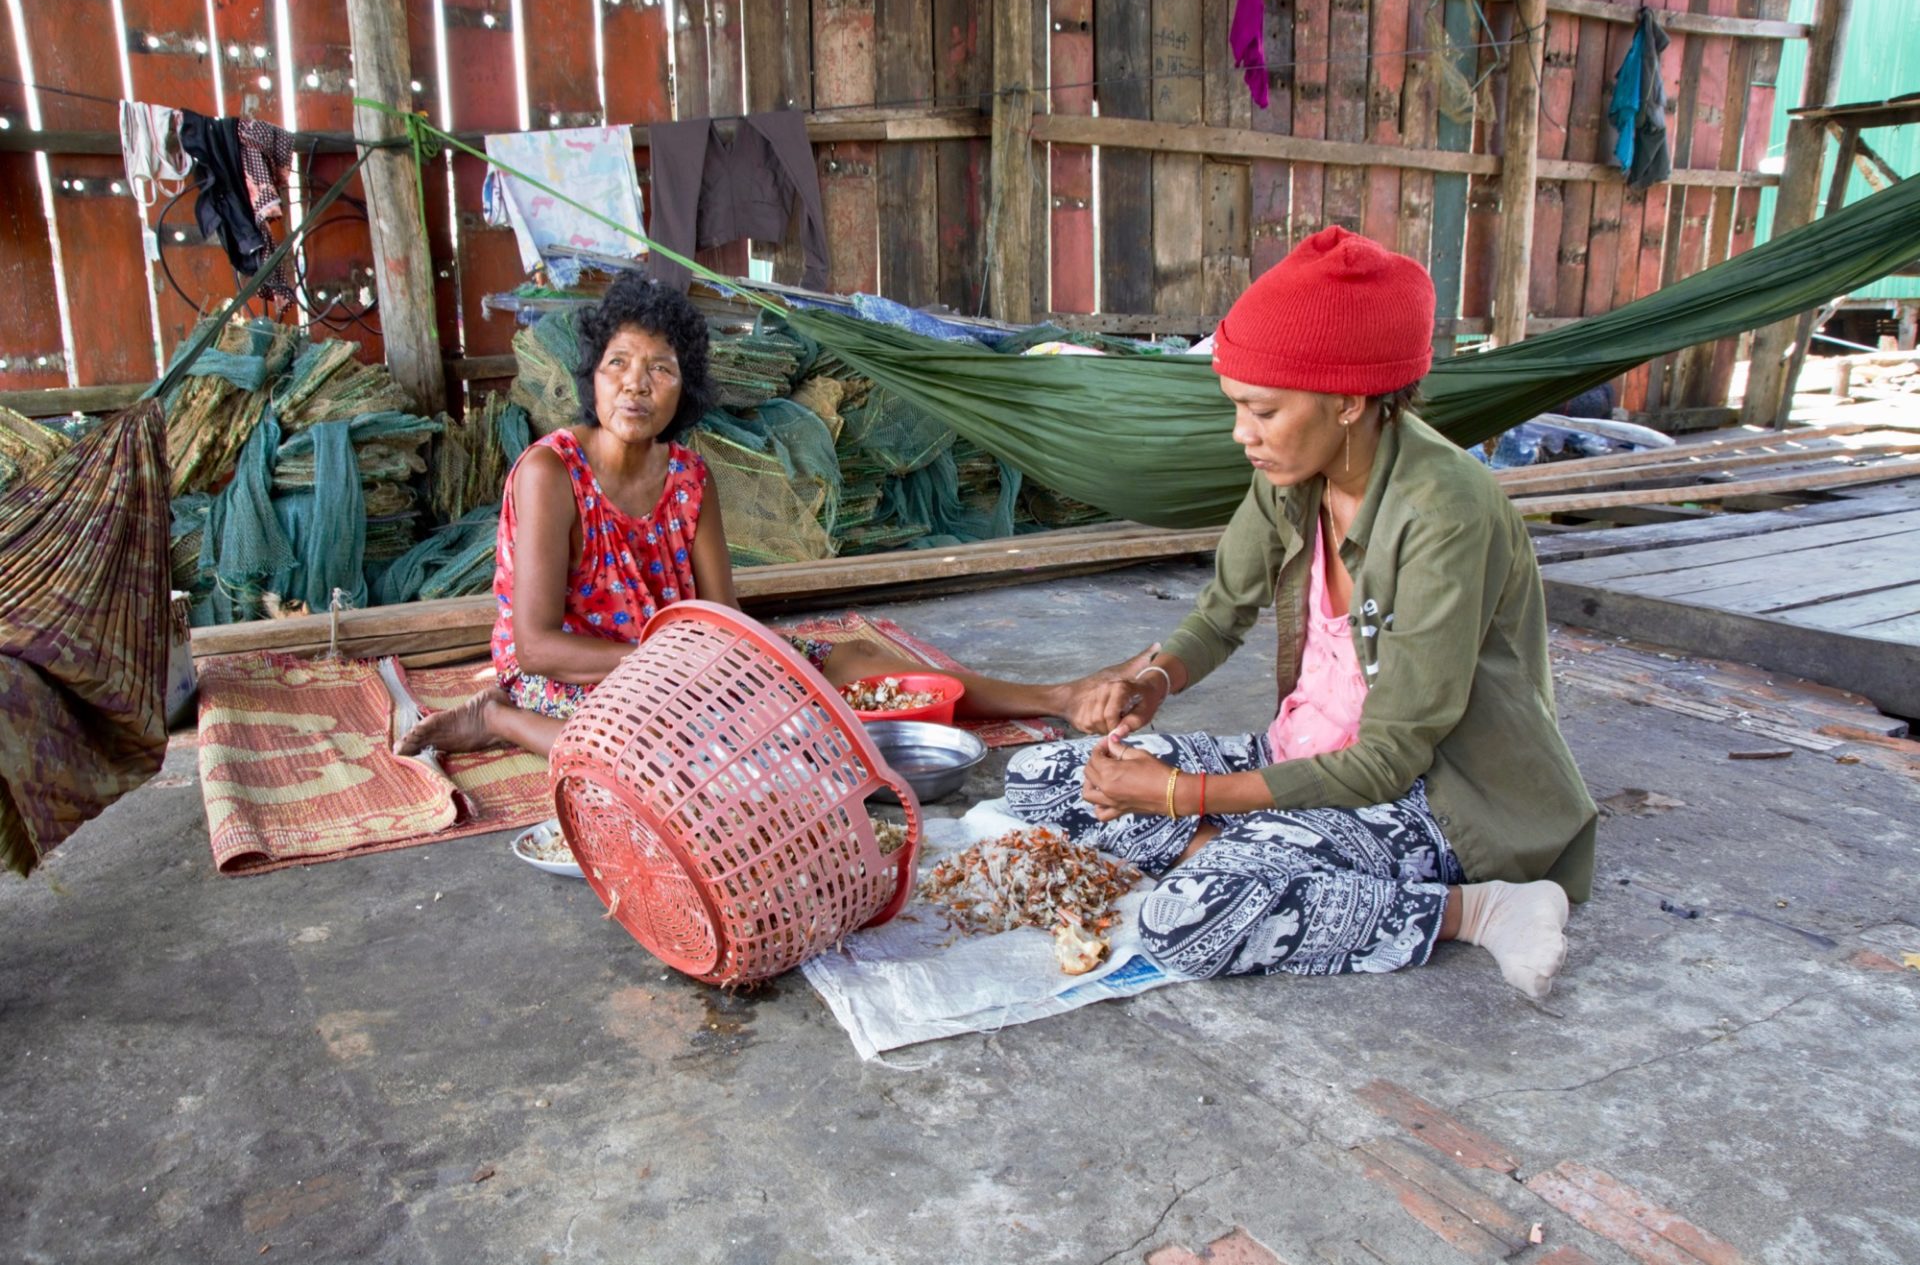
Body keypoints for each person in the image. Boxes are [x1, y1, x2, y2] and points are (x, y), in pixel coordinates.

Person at [1006, 226, 1597, 1000]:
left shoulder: (1444, 513)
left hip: (1440, 798)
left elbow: (1386, 761)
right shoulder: (1294, 471)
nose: (1241, 433)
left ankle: (1478, 909)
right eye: (1237, 407)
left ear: (1348, 400)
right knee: (1043, 778)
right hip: (1304, 752)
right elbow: (1221, 615)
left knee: (1185, 920)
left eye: (1262, 410)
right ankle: (1256, 860)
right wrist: (1155, 680)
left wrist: (1179, 796)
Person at [397, 271, 1079, 761]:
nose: (635, 384)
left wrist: (746, 672)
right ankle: (501, 721)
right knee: (656, 750)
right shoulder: (552, 474)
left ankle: (1056, 696)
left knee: (855, 662)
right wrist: (672, 671)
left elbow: (725, 616)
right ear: (592, 378)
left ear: (685, 389)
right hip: (570, 672)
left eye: (660, 369)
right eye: (617, 364)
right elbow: (538, 646)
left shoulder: (690, 479)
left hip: (682, 663)